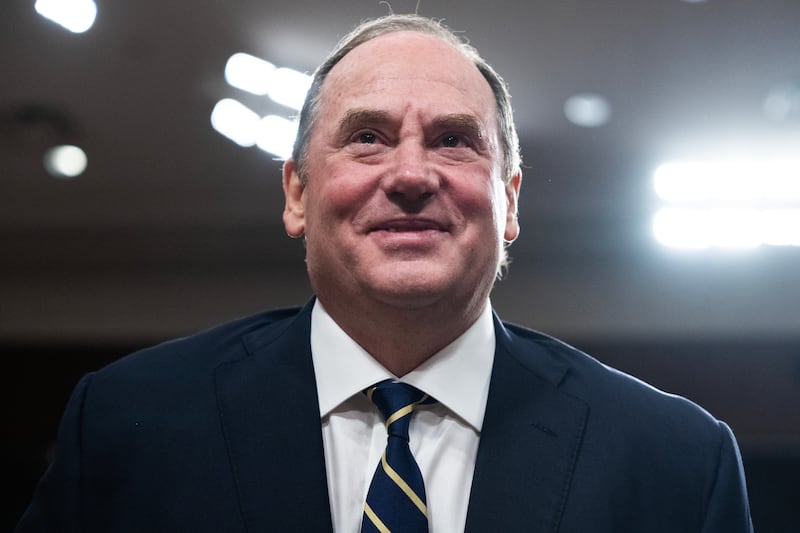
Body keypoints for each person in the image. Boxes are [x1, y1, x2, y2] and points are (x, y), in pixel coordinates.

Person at [16, 13, 752, 533]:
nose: (409, 174)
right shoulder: (127, 425)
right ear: (297, 193)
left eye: (454, 141)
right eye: (367, 137)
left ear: (511, 200)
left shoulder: (675, 459)